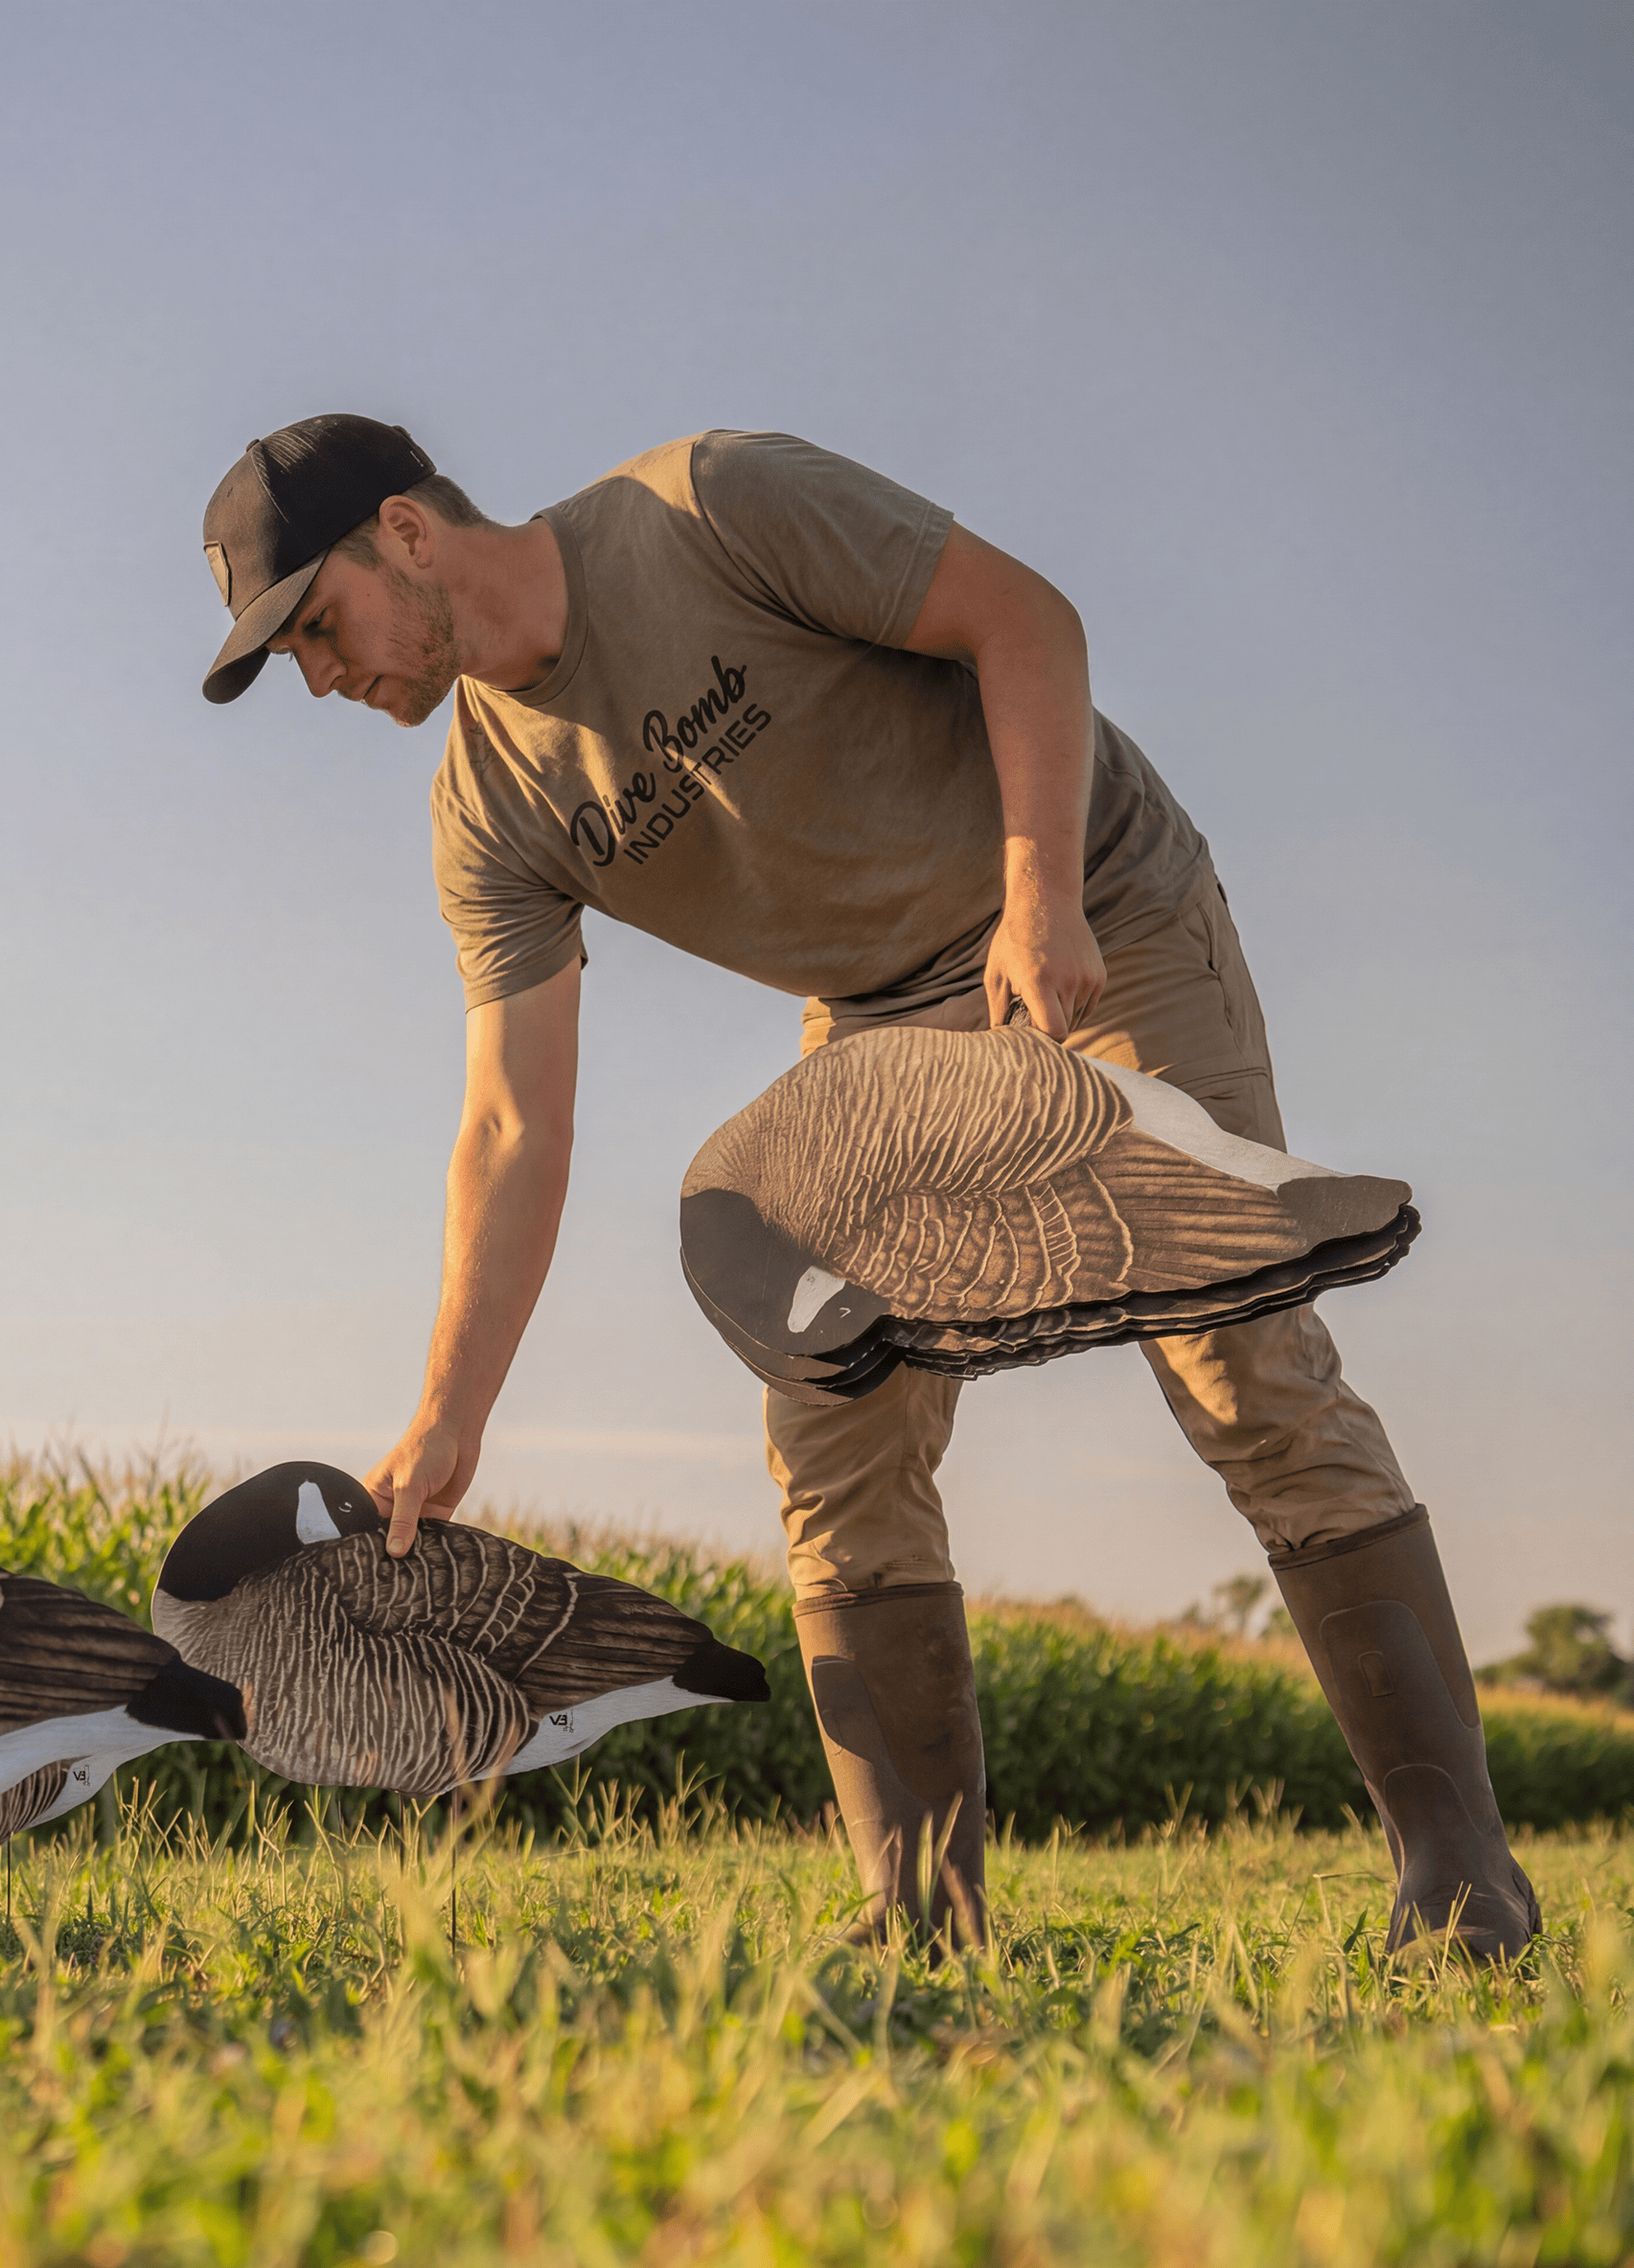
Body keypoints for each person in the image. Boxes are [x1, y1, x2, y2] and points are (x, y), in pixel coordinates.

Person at [196, 413, 1539, 1957]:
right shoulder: (487, 812)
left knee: (1242, 1362)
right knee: (831, 1418)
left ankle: (1464, 1879)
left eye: (317, 625)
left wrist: (1039, 898)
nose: (323, 674)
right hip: (880, 1017)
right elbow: (512, 1123)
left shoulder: (706, 509)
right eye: (294, 656)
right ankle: (923, 1922)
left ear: (408, 533)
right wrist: (450, 1413)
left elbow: (1023, 620)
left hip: (1089, 897)